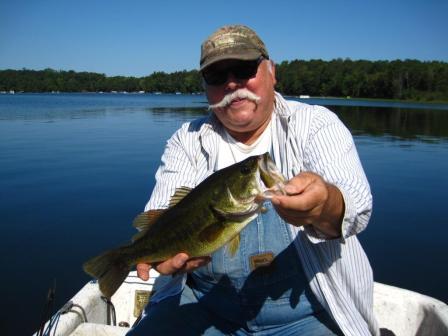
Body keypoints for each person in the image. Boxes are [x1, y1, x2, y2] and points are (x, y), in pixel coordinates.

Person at [127, 25, 379, 336]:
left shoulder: (315, 124)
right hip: (205, 307)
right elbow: (162, 213)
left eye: (244, 69)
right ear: (205, 87)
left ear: (272, 71)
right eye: (217, 76)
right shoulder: (187, 140)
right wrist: (157, 259)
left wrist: (325, 204)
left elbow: (356, 206)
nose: (232, 83)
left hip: (307, 314)